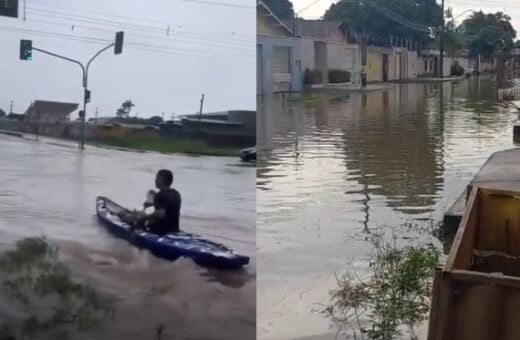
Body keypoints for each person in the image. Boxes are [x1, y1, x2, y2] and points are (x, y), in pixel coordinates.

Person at [120, 169, 181, 235]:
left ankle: (122, 214)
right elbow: (169, 206)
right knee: (140, 214)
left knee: (124, 214)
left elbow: (160, 214)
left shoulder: (160, 195)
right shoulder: (176, 194)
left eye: (157, 178)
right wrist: (153, 203)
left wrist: (144, 217)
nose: (155, 180)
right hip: (174, 229)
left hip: (160, 230)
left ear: (161, 180)